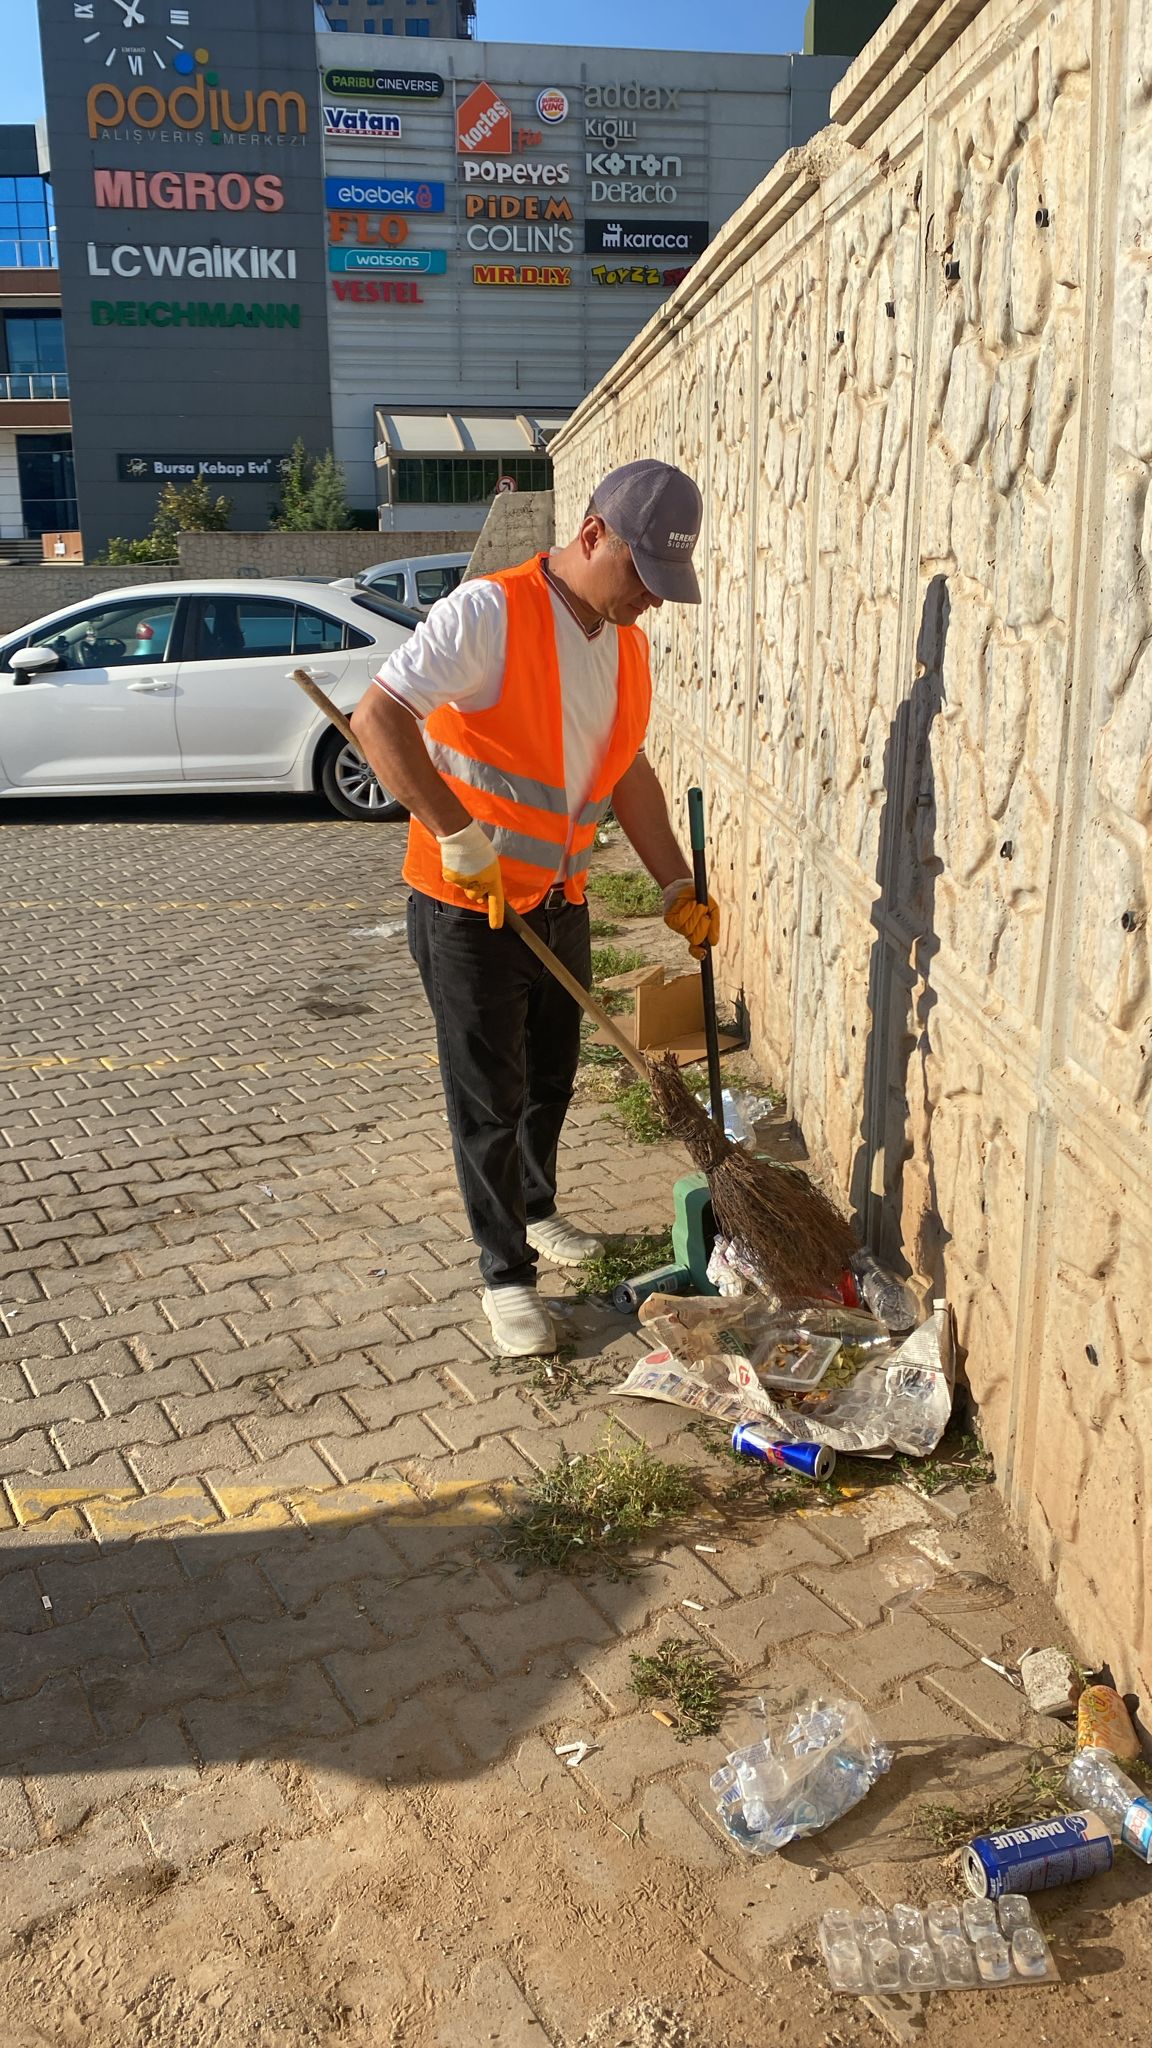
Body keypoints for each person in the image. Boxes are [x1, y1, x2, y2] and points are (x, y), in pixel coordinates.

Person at [350, 460, 720, 1357]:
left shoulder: (626, 645)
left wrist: (675, 883)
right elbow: (378, 718)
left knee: (550, 1078)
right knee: (489, 1095)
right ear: (592, 535)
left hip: (559, 901)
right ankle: (505, 1276)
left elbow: (625, 770)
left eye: (665, 588)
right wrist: (454, 833)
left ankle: (540, 1207)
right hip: (467, 908)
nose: (651, 603)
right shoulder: (489, 614)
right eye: (641, 577)